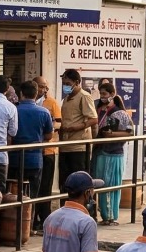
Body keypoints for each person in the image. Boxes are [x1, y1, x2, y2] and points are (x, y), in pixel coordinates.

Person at [92, 81, 135, 224]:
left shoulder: (120, 113)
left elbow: (130, 133)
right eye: (100, 94)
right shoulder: (98, 110)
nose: (102, 97)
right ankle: (102, 214)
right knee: (100, 184)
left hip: (114, 152)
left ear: (112, 94)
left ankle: (110, 216)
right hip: (100, 151)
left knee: (110, 185)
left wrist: (112, 134)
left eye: (104, 94)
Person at [13, 81, 54, 232]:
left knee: (14, 193)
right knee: (33, 195)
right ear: (36, 94)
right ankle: (28, 227)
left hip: (15, 158)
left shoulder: (14, 110)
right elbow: (49, 135)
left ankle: (14, 226)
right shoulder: (44, 112)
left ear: (21, 94)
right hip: (36, 159)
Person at [58, 69, 95, 183]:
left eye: (68, 84)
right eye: (64, 84)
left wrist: (76, 127)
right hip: (65, 145)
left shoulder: (84, 96)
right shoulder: (66, 99)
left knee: (78, 182)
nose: (65, 86)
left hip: (79, 147)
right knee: (65, 182)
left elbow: (93, 119)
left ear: (77, 82)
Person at [36, 76, 62, 220]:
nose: (44, 90)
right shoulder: (30, 102)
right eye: (41, 86)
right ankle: (33, 218)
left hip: (48, 150)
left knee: (46, 186)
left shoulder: (51, 103)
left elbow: (59, 124)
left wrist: (49, 129)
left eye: (46, 87)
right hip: (33, 152)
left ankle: (44, 217)